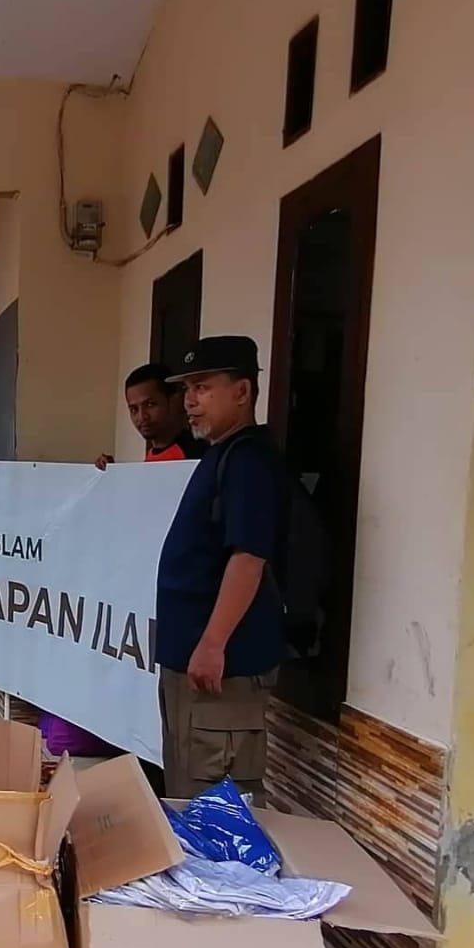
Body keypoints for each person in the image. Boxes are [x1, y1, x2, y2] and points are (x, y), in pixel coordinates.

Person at [154, 336, 287, 801]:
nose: (190, 401)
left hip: (221, 671)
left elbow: (248, 558)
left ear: (242, 392)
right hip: (194, 668)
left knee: (214, 805)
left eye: (203, 387)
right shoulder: (220, 455)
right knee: (186, 792)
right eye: (187, 389)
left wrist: (213, 643)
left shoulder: (249, 461)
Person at [95, 362, 206, 468]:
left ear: (175, 401)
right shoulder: (152, 456)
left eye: (150, 404)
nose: (142, 417)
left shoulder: (196, 454)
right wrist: (112, 472)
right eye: (134, 409)